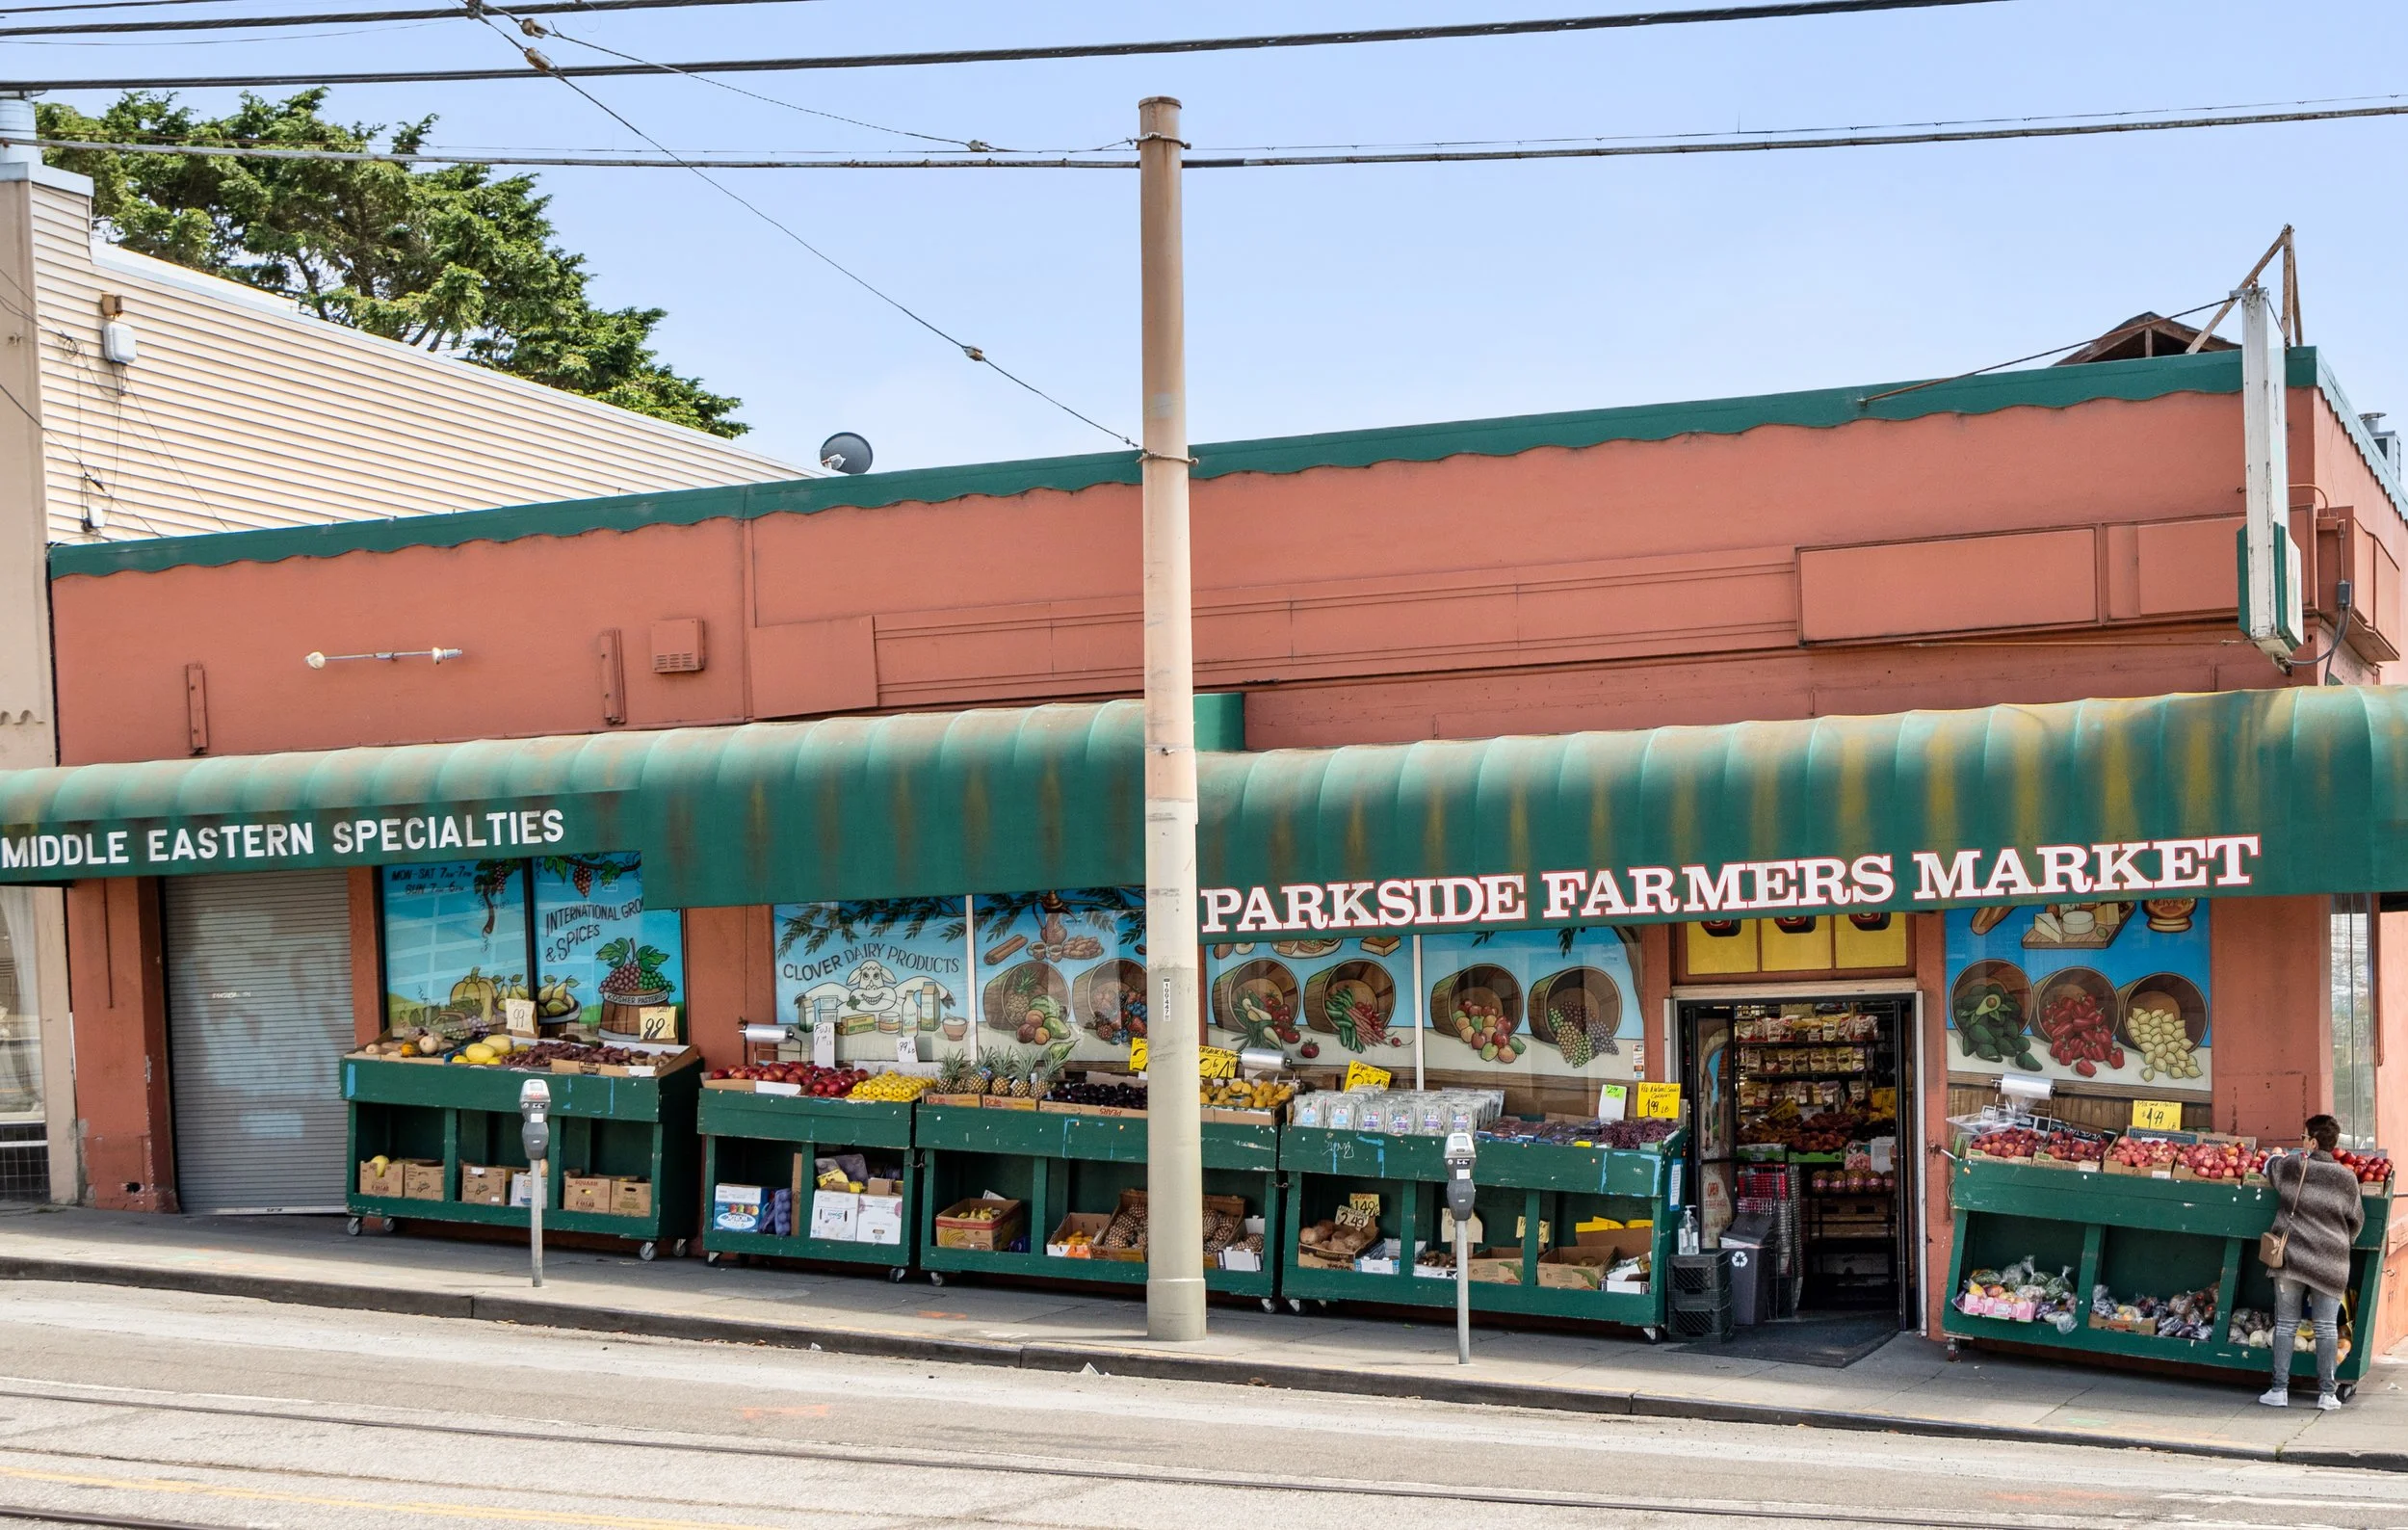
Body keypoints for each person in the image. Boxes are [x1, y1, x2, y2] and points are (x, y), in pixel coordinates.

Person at [2260, 1115, 2366, 1410]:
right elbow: (2356, 1221)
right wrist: (2337, 1242)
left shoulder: (2295, 1166)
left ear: (2313, 1142)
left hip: (2291, 1258)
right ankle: (2326, 1395)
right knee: (2326, 1328)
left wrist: (2277, 1155)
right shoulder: (2346, 1178)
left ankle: (2279, 1391)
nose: (2302, 1142)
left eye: (2304, 1137)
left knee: (2286, 1325)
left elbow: (2268, 1166)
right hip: (2331, 1262)